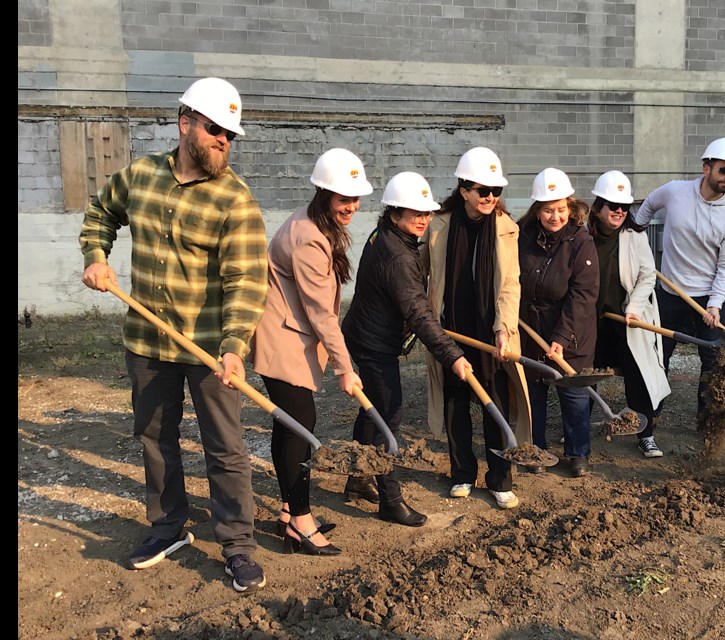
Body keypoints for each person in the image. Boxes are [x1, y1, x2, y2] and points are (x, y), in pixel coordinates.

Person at [79, 77, 270, 592]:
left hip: (208, 351)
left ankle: (237, 544)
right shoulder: (140, 177)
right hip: (146, 342)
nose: (223, 141)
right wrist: (96, 256)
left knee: (225, 447)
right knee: (156, 439)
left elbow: (247, 282)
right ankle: (167, 529)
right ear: (185, 123)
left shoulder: (235, 200)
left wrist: (233, 349)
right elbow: (100, 213)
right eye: (215, 130)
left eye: (230, 134)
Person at [249, 148, 372, 556]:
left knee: (291, 425)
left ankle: (289, 513)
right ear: (323, 194)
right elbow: (322, 313)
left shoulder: (316, 224)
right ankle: (301, 520)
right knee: (301, 425)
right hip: (282, 338)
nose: (351, 206)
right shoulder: (308, 239)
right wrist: (345, 367)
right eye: (343, 198)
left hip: (290, 333)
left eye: (355, 198)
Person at [341, 171, 473, 526]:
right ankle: (390, 499)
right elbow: (417, 312)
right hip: (373, 342)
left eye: (426, 213)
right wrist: (452, 355)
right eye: (415, 213)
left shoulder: (386, 236)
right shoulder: (398, 255)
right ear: (395, 212)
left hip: (364, 332)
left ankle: (358, 476)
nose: (423, 219)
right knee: (389, 414)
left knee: (373, 410)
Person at [423, 146, 532, 510]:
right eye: (482, 190)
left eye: (495, 191)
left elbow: (510, 284)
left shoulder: (505, 229)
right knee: (456, 405)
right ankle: (462, 474)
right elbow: (425, 273)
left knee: (495, 405)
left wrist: (503, 328)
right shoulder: (440, 226)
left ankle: (500, 479)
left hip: (490, 334)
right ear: (464, 190)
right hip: (452, 330)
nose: (490, 197)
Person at [632, 137, 725, 419]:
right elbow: (647, 206)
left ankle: (707, 421)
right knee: (659, 355)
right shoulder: (675, 192)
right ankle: (651, 415)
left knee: (712, 361)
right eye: (724, 170)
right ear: (706, 168)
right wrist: (635, 235)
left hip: (706, 296)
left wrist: (715, 304)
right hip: (670, 291)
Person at [517, 168, 600, 478]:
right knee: (533, 392)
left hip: (573, 330)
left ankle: (577, 452)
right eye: (548, 209)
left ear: (570, 206)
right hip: (531, 327)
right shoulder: (522, 235)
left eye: (561, 209)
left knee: (573, 390)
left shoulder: (581, 242)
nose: (555, 216)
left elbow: (583, 296)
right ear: (537, 210)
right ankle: (535, 449)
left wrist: (562, 337)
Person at [587, 170, 671, 458]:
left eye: (625, 207)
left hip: (627, 321)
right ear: (598, 207)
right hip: (593, 321)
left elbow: (647, 276)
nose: (620, 212)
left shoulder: (635, 236)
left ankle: (645, 433)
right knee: (586, 374)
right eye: (613, 206)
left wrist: (634, 307)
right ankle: (577, 428)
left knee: (639, 376)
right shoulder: (583, 236)